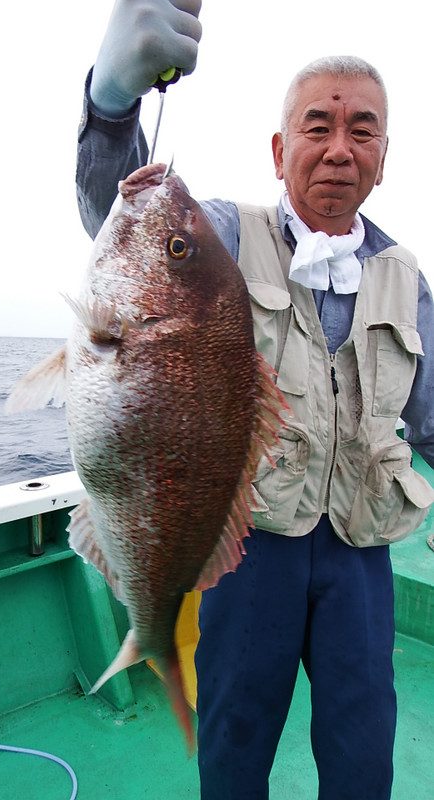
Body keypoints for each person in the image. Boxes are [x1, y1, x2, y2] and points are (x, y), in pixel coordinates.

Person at [76, 2, 434, 798]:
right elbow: (121, 222)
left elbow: (433, 419)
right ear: (280, 150)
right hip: (249, 543)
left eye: (363, 130)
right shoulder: (223, 236)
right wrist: (113, 103)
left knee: (363, 750)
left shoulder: (407, 278)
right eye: (317, 126)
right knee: (234, 743)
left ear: (384, 158)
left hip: (360, 550)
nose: (339, 149)